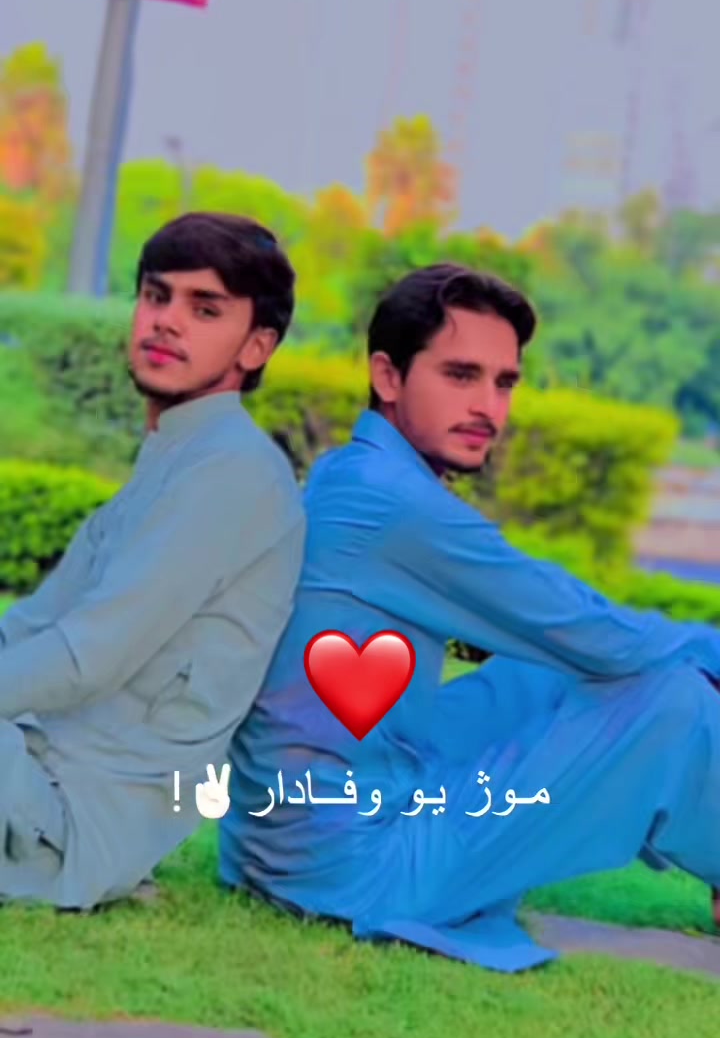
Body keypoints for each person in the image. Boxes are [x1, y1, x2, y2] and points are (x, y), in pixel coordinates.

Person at [220, 263, 720, 973]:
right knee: (671, 697)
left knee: (548, 674)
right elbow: (592, 633)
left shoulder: (350, 471)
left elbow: (571, 639)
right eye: (460, 375)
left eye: (504, 382)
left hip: (277, 842)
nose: (488, 406)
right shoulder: (394, 504)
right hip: (354, 866)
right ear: (388, 377)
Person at [0, 213, 305, 910]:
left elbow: (87, 660)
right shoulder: (175, 456)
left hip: (67, 823)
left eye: (205, 308)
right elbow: (32, 626)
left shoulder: (234, 473)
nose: (167, 320)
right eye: (156, 295)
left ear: (257, 345)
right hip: (29, 772)